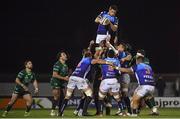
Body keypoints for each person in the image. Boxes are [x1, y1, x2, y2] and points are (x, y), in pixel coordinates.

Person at [58, 49, 113, 117]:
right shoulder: (90, 60)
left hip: (72, 77)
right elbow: (98, 61)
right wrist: (109, 63)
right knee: (90, 95)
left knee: (67, 96)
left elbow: (87, 53)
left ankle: (60, 112)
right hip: (80, 78)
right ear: (90, 56)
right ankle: (84, 112)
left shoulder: (82, 59)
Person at [97, 50, 125, 116]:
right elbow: (119, 72)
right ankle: (123, 112)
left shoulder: (104, 60)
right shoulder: (117, 61)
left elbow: (98, 64)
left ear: (107, 54)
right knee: (117, 97)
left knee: (100, 97)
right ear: (114, 55)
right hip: (114, 80)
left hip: (105, 80)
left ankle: (100, 113)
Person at [50, 51, 69, 116]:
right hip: (55, 81)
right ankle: (52, 111)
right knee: (56, 96)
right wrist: (64, 78)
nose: (65, 55)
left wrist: (67, 78)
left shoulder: (66, 65)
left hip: (62, 82)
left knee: (63, 96)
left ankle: (60, 112)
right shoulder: (57, 64)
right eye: (64, 54)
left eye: (65, 54)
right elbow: (54, 75)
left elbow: (66, 75)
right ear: (60, 57)